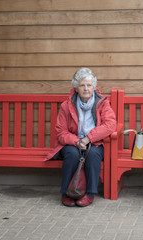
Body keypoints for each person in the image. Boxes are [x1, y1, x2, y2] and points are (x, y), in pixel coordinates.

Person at [46, 67, 116, 207]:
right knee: (71, 154)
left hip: (94, 142)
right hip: (72, 143)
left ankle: (89, 194)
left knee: (93, 154)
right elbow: (60, 131)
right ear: (76, 88)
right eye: (82, 85)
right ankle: (66, 193)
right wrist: (77, 141)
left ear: (94, 87)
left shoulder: (102, 103)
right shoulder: (67, 105)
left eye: (89, 85)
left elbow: (110, 124)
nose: (86, 88)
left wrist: (88, 138)